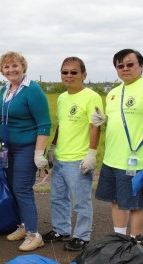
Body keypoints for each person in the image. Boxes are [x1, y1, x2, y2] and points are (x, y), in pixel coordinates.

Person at [94, 48, 143, 239]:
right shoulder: (113, 93)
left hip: (135, 160)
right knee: (116, 201)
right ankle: (119, 240)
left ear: (140, 66)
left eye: (130, 65)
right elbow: (118, 121)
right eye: (120, 66)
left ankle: (136, 242)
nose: (125, 69)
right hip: (112, 159)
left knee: (135, 205)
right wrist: (104, 120)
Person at [42, 57, 104, 251]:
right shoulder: (62, 98)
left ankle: (82, 236)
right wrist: (52, 148)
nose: (69, 76)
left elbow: (96, 125)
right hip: (61, 157)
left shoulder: (91, 96)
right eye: (65, 72)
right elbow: (62, 125)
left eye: (73, 72)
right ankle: (61, 230)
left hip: (79, 159)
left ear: (83, 75)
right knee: (58, 197)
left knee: (81, 200)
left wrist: (91, 154)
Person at [0, 51, 51, 251]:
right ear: (2, 71)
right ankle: (24, 225)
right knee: (12, 187)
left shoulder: (32, 89)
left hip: (26, 148)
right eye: (7, 67)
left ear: (23, 67)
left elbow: (44, 123)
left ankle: (35, 234)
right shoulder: (5, 89)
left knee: (22, 188)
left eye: (15, 65)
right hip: (7, 149)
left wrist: (39, 152)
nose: (11, 70)